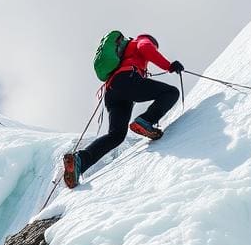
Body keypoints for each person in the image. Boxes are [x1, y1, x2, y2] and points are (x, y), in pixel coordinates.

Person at [64, 34, 183, 188]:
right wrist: (169, 65)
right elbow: (145, 48)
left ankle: (80, 160)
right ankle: (146, 120)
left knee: (116, 135)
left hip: (112, 92)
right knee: (171, 92)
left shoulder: (124, 53)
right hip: (128, 80)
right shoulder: (140, 41)